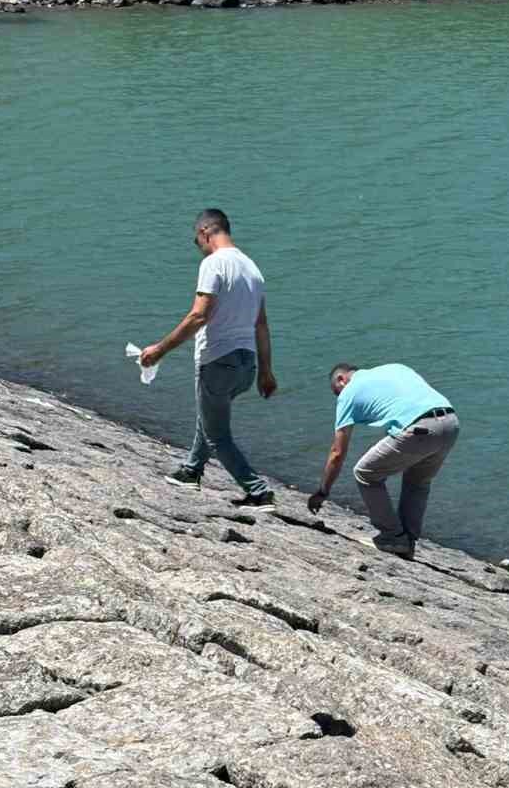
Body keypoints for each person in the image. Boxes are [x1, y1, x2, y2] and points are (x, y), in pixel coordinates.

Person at [140, 208, 277, 507]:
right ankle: (191, 470)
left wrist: (159, 350)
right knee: (211, 415)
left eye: (196, 240)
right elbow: (261, 324)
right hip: (247, 363)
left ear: (205, 232)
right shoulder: (253, 268)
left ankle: (258, 491)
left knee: (218, 434)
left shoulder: (214, 264)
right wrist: (266, 371)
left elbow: (198, 316)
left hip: (218, 360)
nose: (198, 247)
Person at [306, 363, 459, 558]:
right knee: (417, 482)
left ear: (341, 379)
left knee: (365, 473)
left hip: (420, 428)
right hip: (451, 423)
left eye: (337, 393)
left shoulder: (348, 392)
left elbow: (337, 452)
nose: (339, 398)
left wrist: (323, 490)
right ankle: (407, 542)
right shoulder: (395, 368)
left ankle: (393, 536)